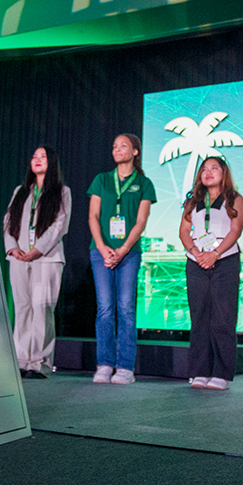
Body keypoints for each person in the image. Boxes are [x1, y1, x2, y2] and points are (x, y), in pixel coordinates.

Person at [87, 134, 156, 384]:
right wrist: (104, 248)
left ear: (135, 151)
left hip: (129, 253)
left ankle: (125, 367)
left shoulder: (144, 183)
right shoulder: (102, 180)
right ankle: (104, 364)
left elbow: (141, 221)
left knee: (126, 308)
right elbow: (93, 217)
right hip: (101, 252)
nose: (117, 149)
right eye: (114, 146)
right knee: (104, 308)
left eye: (123, 145)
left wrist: (124, 249)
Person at [177, 157, 243, 391]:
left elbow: (235, 231)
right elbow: (184, 231)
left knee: (223, 318)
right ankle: (199, 371)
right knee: (199, 318)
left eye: (214, 168)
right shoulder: (193, 201)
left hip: (224, 261)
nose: (208, 173)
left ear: (224, 172)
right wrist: (196, 252)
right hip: (196, 262)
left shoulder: (235, 199)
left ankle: (221, 373)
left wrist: (215, 253)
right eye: (204, 169)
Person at [4, 147, 72, 379]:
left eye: (43, 156)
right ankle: (21, 360)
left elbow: (59, 226)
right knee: (22, 307)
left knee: (42, 308)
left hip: (46, 258)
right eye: (34, 156)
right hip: (19, 257)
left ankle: (40, 363)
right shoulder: (20, 191)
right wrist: (12, 248)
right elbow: (8, 222)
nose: (37, 160)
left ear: (52, 162)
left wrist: (37, 250)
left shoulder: (62, 192)